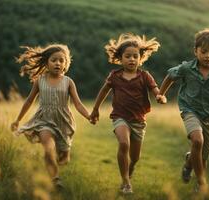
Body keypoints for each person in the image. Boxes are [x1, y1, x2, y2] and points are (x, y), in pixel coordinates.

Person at [157, 27, 209, 193]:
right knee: (197, 140)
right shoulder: (187, 68)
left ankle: (189, 163)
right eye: (204, 51)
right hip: (189, 110)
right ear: (195, 51)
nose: (208, 56)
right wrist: (161, 94)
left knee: (202, 157)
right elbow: (170, 76)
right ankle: (202, 183)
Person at [90, 33, 165, 194]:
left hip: (138, 120)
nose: (131, 59)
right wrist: (95, 109)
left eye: (135, 56)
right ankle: (125, 182)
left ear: (140, 58)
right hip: (120, 117)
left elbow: (155, 89)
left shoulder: (144, 76)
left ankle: (128, 172)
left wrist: (160, 96)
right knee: (124, 143)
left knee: (135, 157)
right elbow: (103, 92)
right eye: (127, 56)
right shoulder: (115, 76)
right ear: (120, 58)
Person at [10, 44, 90, 188]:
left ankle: (62, 155)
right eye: (54, 60)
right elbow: (29, 101)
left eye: (61, 60)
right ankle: (55, 179)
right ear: (47, 62)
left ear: (66, 64)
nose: (58, 63)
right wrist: (18, 119)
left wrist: (89, 116)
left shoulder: (68, 82)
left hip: (63, 122)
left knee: (63, 159)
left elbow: (78, 104)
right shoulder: (40, 81)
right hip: (44, 121)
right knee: (48, 148)